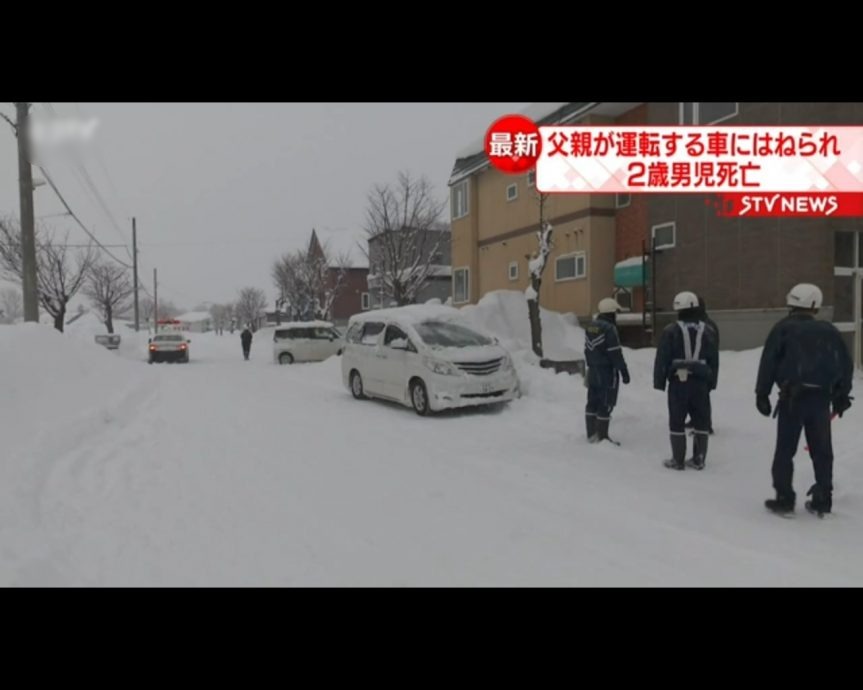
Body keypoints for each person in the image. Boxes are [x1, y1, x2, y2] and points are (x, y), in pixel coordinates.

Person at [755, 283, 853, 517]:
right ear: (814, 305)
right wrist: (841, 395)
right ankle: (823, 498)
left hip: (792, 399)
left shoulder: (783, 329)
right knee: (821, 450)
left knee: (785, 450)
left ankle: (785, 498)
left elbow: (769, 362)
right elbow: (844, 365)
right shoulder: (829, 331)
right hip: (820, 399)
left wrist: (762, 393)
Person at [654, 291, 719, 471]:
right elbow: (714, 359)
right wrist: (712, 382)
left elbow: (662, 357)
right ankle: (699, 459)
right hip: (700, 382)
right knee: (701, 419)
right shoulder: (708, 330)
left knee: (677, 420)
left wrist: (659, 381)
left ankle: (678, 459)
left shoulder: (671, 330)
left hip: (678, 383)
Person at [584, 297, 630, 444]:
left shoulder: (590, 326)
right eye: (615, 312)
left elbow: (588, 350)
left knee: (592, 401)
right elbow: (615, 352)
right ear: (611, 312)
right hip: (607, 372)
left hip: (592, 370)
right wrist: (623, 371)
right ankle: (602, 437)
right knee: (606, 402)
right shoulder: (609, 329)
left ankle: (591, 434)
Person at [686, 296, 719, 435]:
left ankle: (705, 425)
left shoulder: (706, 326)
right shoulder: (703, 323)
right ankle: (696, 420)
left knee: (702, 397)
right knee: (694, 396)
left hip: (704, 367)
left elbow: (711, 349)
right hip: (701, 366)